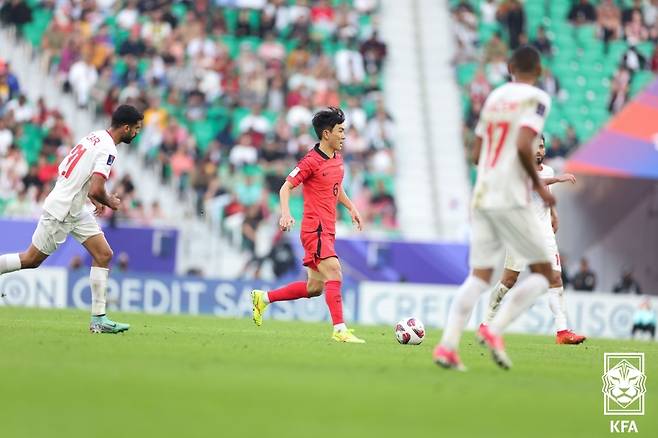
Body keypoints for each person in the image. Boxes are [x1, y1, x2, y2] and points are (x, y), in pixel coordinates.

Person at [433, 46, 555, 371]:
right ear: (539, 70)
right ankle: (494, 329)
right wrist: (540, 186)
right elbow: (522, 143)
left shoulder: (494, 97)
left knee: (480, 277)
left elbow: (476, 154)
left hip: (482, 194)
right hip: (510, 196)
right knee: (546, 274)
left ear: (510, 67)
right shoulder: (537, 98)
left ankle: (447, 346)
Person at [0, 105, 143, 333]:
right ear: (126, 127)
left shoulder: (95, 136)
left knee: (104, 255)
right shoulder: (109, 150)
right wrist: (109, 201)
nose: (136, 133)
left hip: (75, 207)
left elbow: (69, 169)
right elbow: (97, 188)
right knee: (31, 259)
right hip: (63, 210)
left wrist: (90, 196)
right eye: (136, 128)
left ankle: (99, 320)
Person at [251, 107, 366, 343]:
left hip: (329, 229)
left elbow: (335, 187)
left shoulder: (337, 157)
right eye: (340, 131)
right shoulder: (310, 161)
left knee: (314, 288)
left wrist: (351, 207)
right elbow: (286, 187)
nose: (344, 136)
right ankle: (339, 329)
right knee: (334, 271)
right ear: (326, 134)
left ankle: (263, 298)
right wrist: (285, 214)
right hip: (316, 229)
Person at [480, 136, 586, 345]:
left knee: (555, 280)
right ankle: (486, 324)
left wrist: (554, 213)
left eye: (541, 146)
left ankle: (562, 331)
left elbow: (545, 193)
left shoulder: (549, 171)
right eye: (534, 146)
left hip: (544, 233)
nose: (538, 150)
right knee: (508, 281)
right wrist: (559, 179)